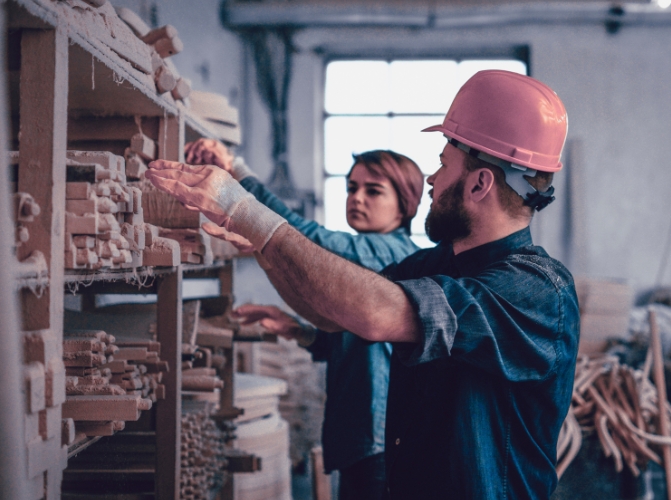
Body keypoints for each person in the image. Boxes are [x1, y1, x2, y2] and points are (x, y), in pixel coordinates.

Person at [148, 70, 580, 499]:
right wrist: (263, 249)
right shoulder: (435, 263)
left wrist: (250, 214)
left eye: (443, 165)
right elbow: (336, 316)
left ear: (480, 183)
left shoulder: (537, 290)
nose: (432, 179)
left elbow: (377, 313)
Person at [184, 139, 424, 500]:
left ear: (405, 205)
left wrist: (237, 172)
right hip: (364, 438)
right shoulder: (368, 258)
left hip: (378, 442)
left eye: (373, 191)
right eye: (352, 188)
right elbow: (349, 341)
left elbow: (300, 234)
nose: (357, 198)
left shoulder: (389, 252)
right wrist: (294, 329)